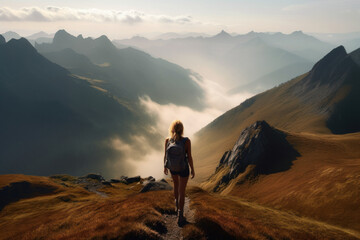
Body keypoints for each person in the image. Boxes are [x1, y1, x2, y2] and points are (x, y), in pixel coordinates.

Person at [164, 120, 195, 224]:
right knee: (182, 190)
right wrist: (192, 170)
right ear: (182, 130)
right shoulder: (186, 141)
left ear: (171, 129)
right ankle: (180, 215)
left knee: (176, 186)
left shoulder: (167, 140)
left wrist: (165, 167)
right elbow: (189, 157)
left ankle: (176, 204)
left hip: (173, 168)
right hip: (183, 168)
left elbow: (165, 155)